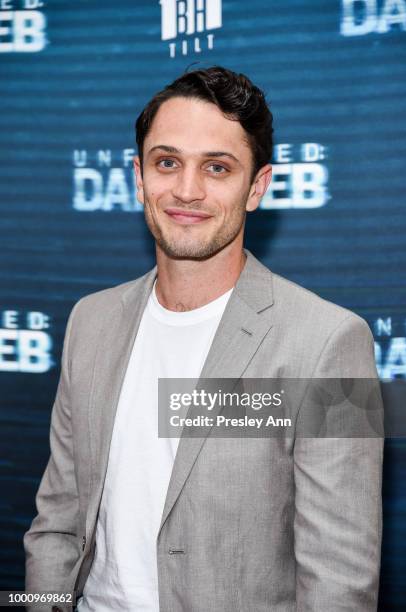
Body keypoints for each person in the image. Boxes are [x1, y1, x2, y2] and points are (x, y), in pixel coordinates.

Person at [24, 65, 384, 612]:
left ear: (257, 187)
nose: (186, 191)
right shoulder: (89, 321)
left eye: (217, 167)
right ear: (139, 177)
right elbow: (57, 522)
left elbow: (341, 577)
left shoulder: (334, 342)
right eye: (167, 163)